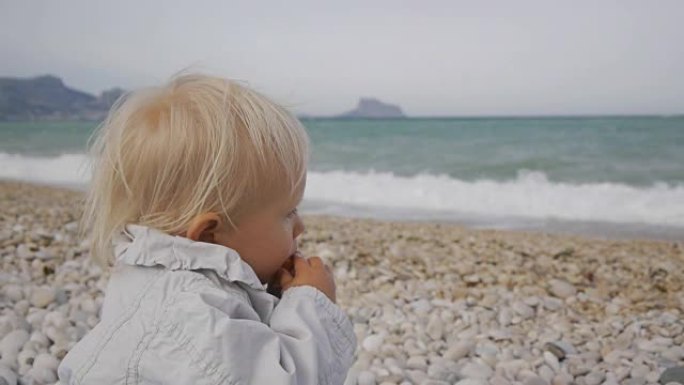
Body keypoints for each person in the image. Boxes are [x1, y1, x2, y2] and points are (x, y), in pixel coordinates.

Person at [57, 73, 357, 384]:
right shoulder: (189, 317)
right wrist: (310, 305)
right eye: (288, 213)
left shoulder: (157, 279)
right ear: (208, 236)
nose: (301, 227)